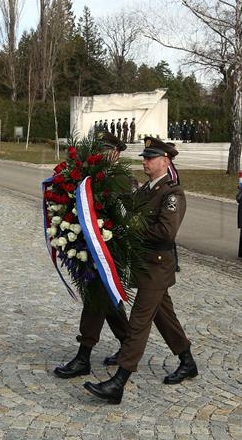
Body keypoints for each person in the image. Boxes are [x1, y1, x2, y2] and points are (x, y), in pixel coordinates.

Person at [84, 137, 197, 404]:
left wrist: (131, 227)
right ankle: (187, 361)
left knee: (139, 323)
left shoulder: (172, 194)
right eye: (144, 157)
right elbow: (126, 210)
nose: (145, 161)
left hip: (157, 266)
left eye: (150, 157)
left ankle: (118, 382)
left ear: (165, 161)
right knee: (163, 316)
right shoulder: (146, 190)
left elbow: (166, 231)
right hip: (144, 264)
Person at [54, 130, 131, 379]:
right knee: (108, 300)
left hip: (109, 249)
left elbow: (124, 216)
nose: (99, 155)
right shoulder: (89, 177)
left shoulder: (121, 179)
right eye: (97, 150)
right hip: (91, 248)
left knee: (96, 298)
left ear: (115, 153)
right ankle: (129, 344)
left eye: (105, 150)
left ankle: (83, 356)